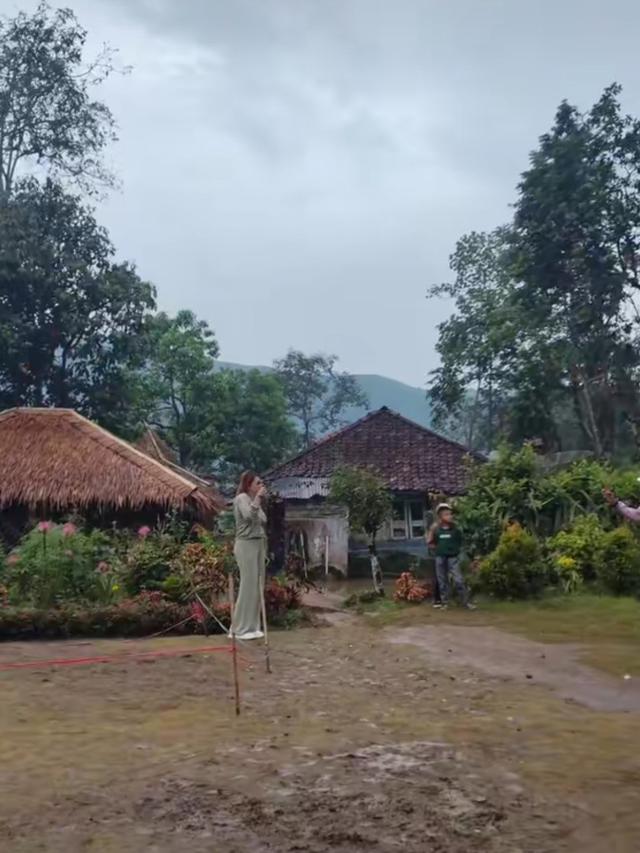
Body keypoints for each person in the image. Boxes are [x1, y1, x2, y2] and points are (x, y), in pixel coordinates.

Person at [231, 470, 267, 640]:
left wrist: (257, 500)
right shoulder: (242, 499)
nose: (261, 485)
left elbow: (262, 519)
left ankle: (253, 625)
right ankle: (239, 627)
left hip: (259, 543)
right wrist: (258, 498)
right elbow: (248, 516)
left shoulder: (253, 501)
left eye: (261, 482)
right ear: (249, 484)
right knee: (248, 585)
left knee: (258, 585)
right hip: (246, 544)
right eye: (258, 483)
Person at [427, 503, 475, 610]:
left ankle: (466, 602)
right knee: (442, 580)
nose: (449, 516)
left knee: (459, 580)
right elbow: (430, 542)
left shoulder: (456, 528)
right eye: (446, 514)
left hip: (453, 557)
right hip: (440, 557)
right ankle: (445, 602)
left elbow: (460, 541)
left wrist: (455, 550)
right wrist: (437, 549)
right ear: (440, 516)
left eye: (450, 514)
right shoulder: (435, 528)